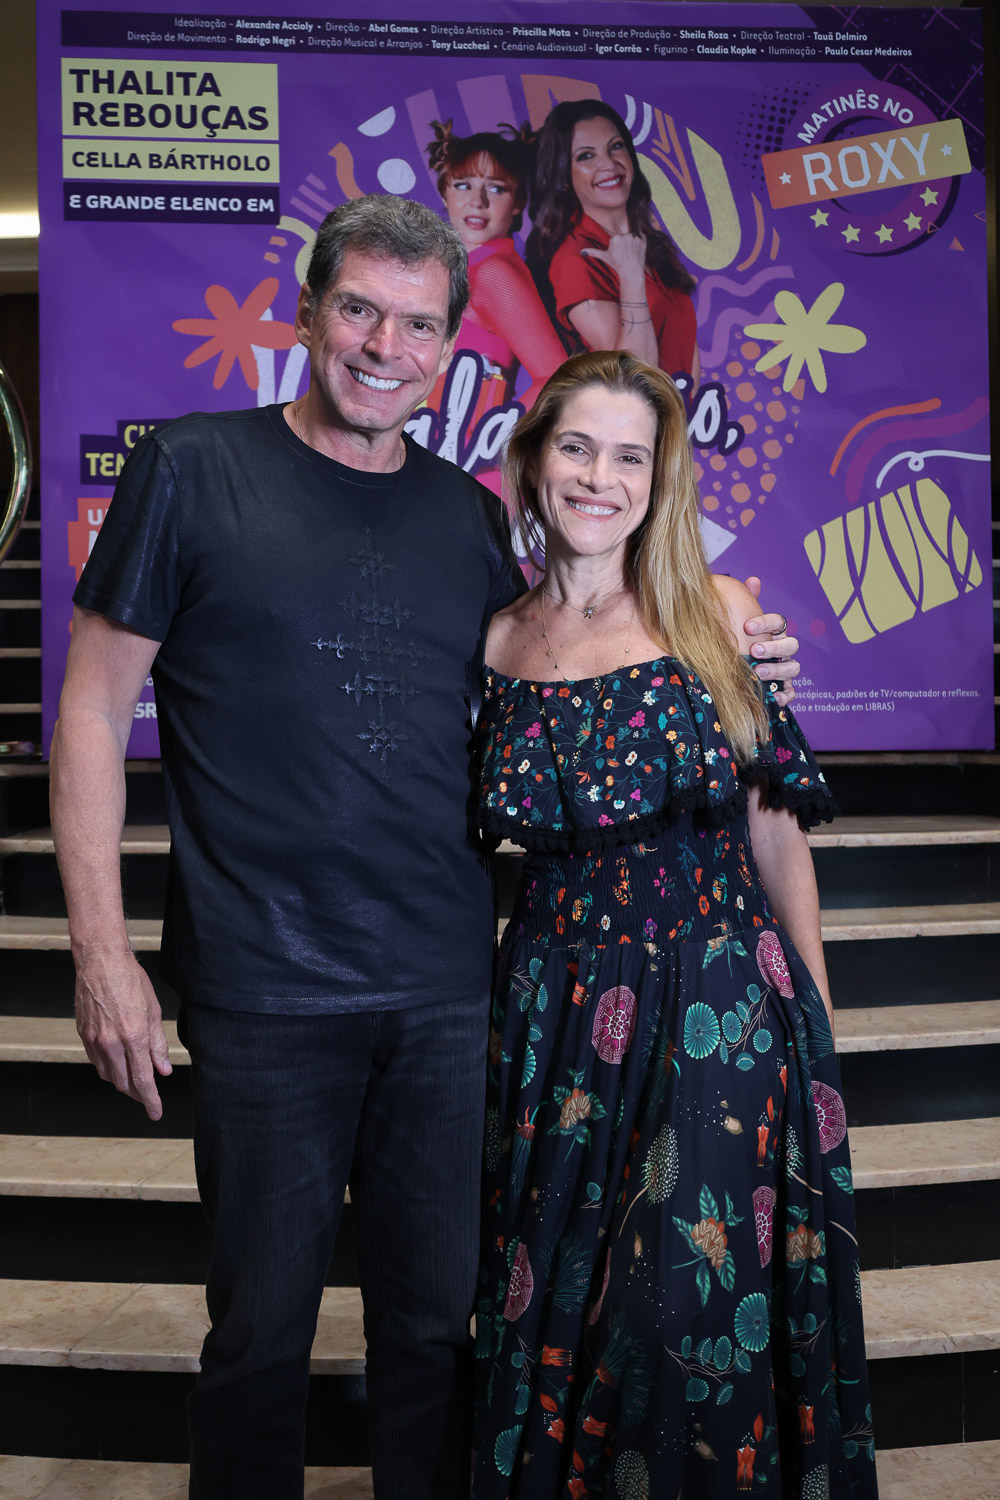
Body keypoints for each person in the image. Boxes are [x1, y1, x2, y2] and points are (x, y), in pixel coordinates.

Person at [49, 194, 801, 1500]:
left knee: (436, 1334)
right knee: (258, 1338)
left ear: (453, 346)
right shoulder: (189, 468)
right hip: (263, 987)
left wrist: (731, 625)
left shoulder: (467, 519)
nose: (382, 347)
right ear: (309, 313)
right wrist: (102, 954)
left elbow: (582, 645)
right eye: (358, 309)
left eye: (416, 324)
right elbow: (91, 712)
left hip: (452, 996)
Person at [472, 351, 876, 1498]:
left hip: (716, 1003)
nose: (598, 477)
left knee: (682, 1314)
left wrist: (812, 1021)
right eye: (576, 447)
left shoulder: (720, 613)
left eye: (628, 456)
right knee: (557, 1303)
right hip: (553, 1013)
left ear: (660, 479)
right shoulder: (493, 642)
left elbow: (775, 831)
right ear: (532, 459)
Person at [528, 101, 699, 382]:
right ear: (564, 178)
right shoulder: (575, 260)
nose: (608, 164)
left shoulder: (651, 244)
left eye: (616, 146)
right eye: (586, 156)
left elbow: (685, 346)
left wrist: (689, 405)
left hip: (679, 406)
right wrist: (631, 278)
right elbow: (631, 376)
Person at [428, 119, 567, 411]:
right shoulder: (460, 268)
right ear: (444, 193)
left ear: (517, 203)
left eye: (496, 189)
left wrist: (496, 435)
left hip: (462, 437)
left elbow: (557, 377)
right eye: (463, 185)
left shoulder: (495, 273)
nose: (477, 201)